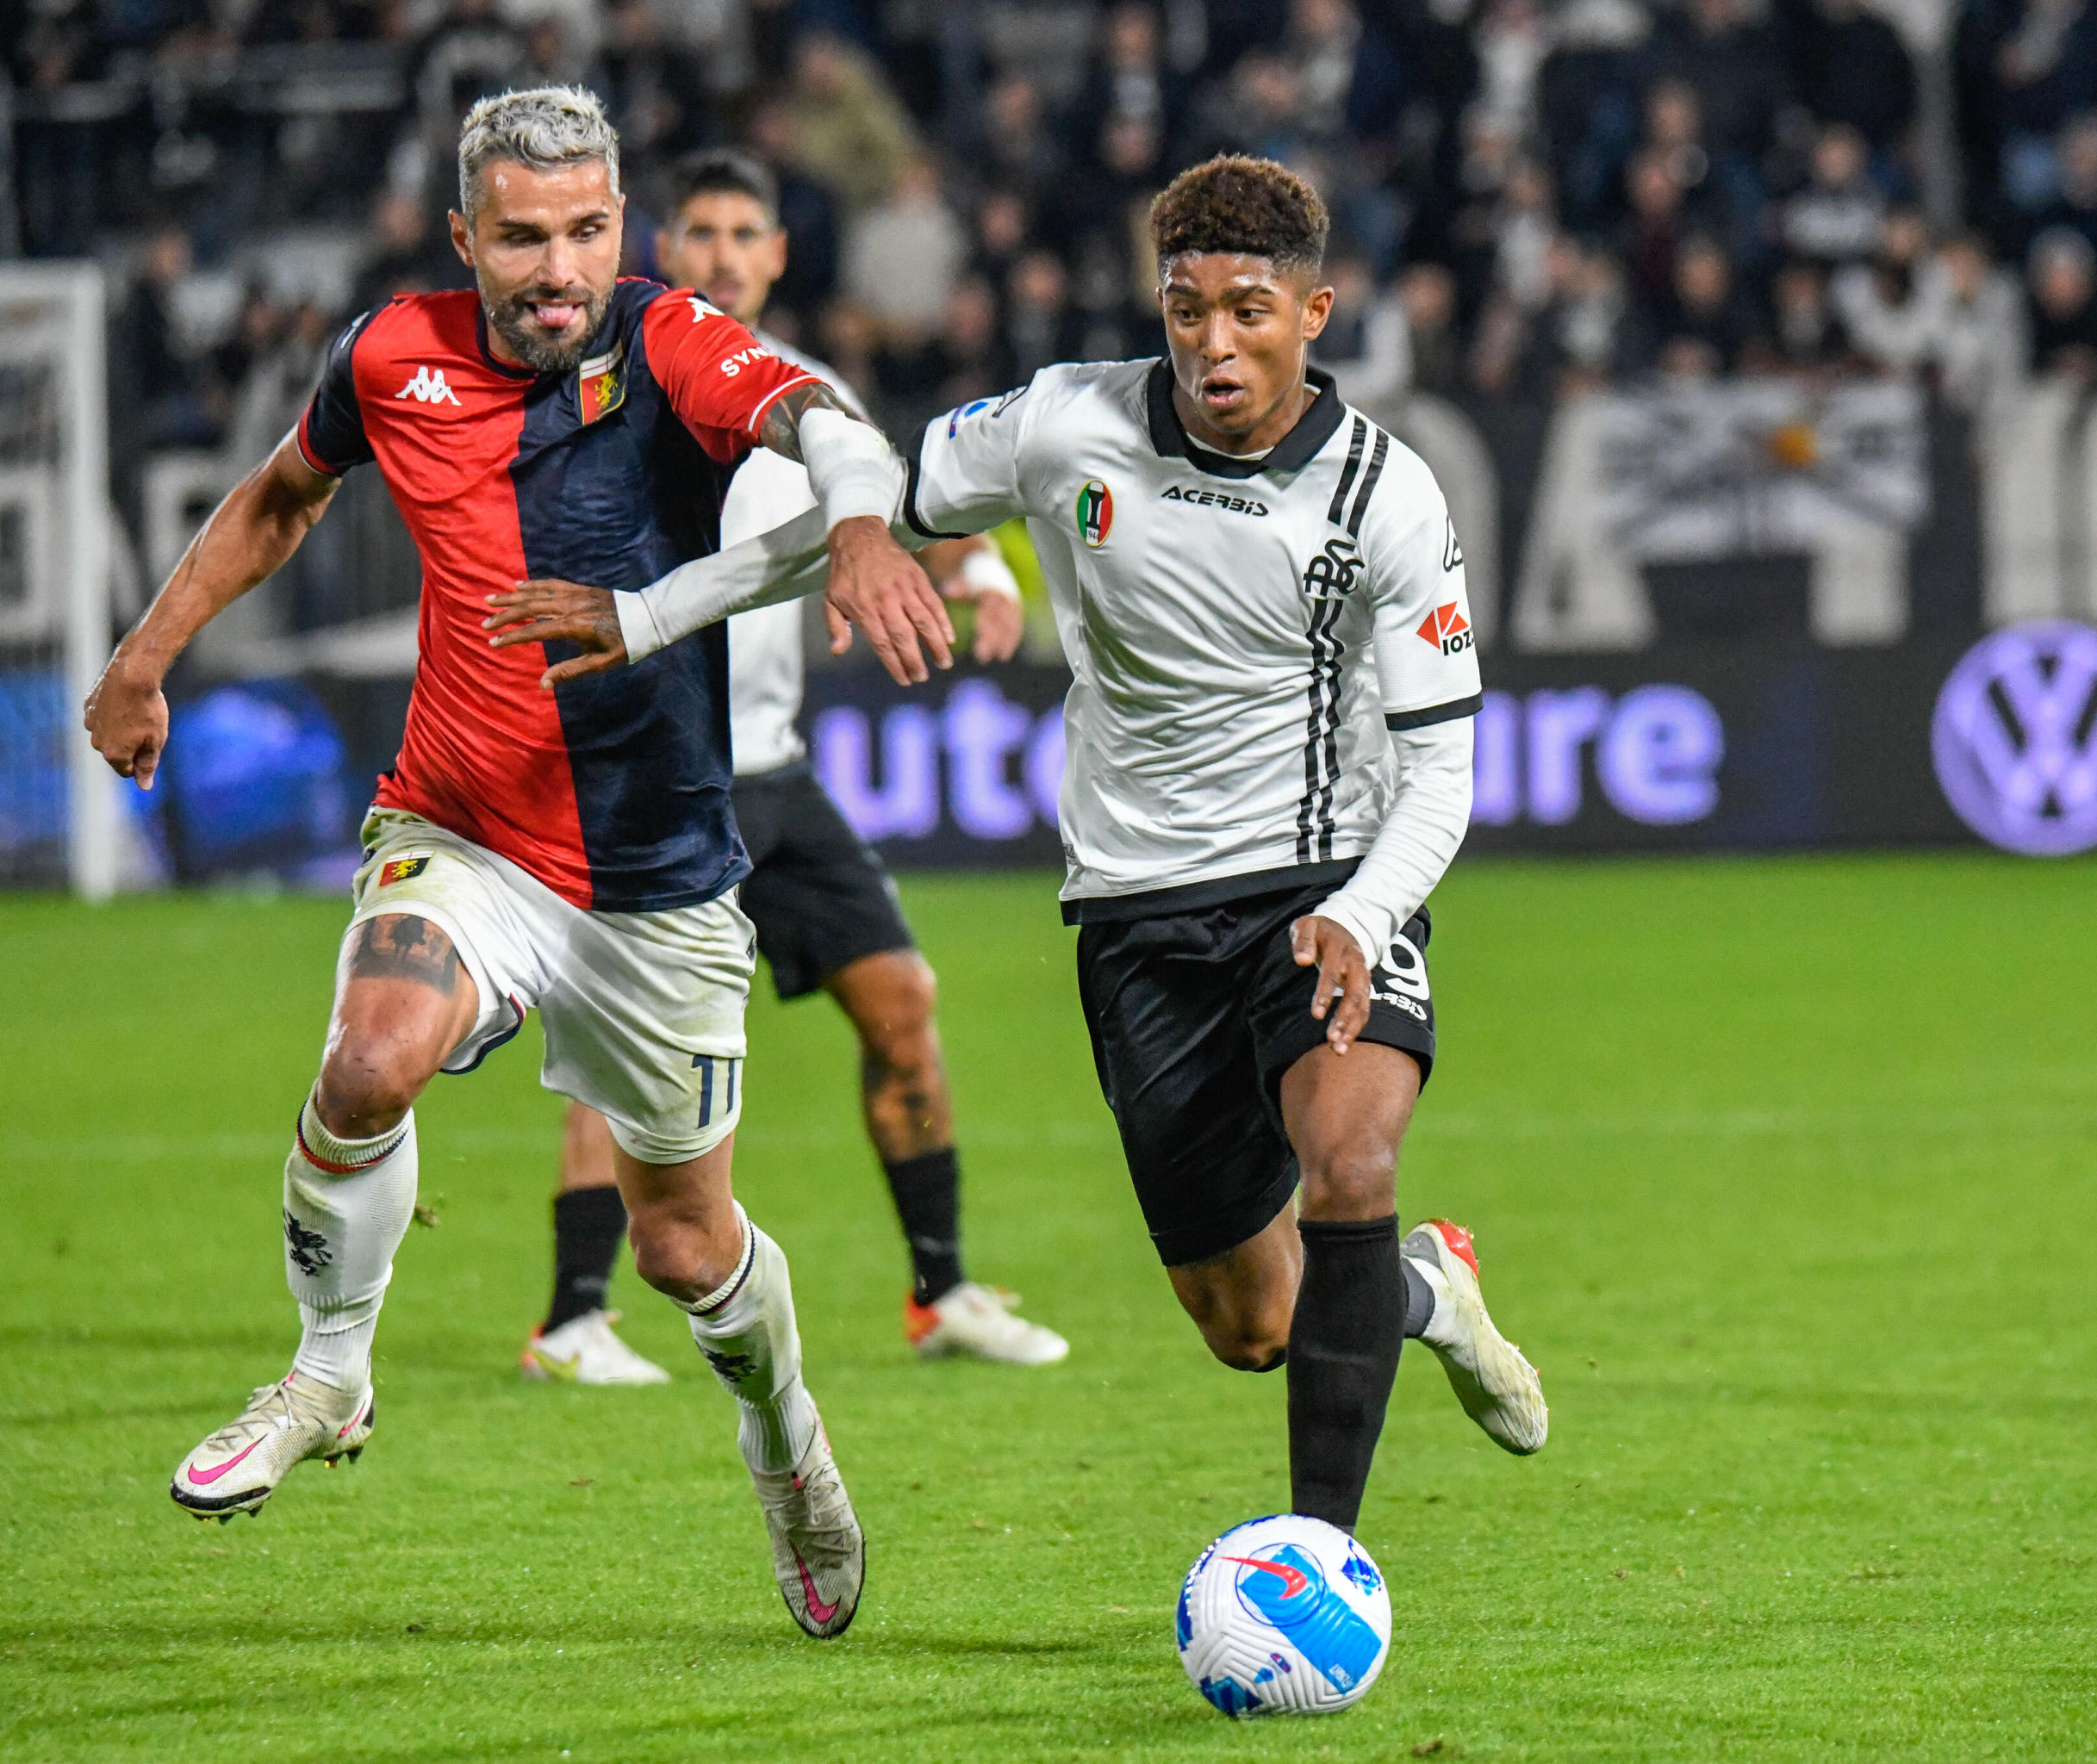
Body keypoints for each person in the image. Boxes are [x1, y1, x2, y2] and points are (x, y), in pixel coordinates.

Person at [526, 155, 1548, 1537]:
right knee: (1249, 1322)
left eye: (1251, 310)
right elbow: (860, 515)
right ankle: (1423, 1289)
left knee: (1351, 1165)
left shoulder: (1389, 495)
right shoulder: (1068, 423)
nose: (1214, 342)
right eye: (1187, 308)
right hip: (1138, 912)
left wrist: (1368, 916)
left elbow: (1444, 769)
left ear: (1316, 314)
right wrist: (659, 610)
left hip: (1323, 889)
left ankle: (1317, 1566)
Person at [83, 85, 960, 1640]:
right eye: (522, 238)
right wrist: (147, 657)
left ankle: (789, 1448)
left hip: (663, 881)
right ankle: (327, 1372)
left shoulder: (673, 340)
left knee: (688, 1247)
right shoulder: (388, 356)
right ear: (463, 238)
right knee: (368, 1064)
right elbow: (284, 494)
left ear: (617, 225)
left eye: (584, 232)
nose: (558, 270)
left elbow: (826, 423)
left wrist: (870, 524)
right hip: (464, 828)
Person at [525, 149, 1068, 1386]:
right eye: (700, 232)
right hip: (656, 772)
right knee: (624, 1054)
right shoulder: (616, 384)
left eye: (744, 234)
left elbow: (890, 507)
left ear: (777, 254)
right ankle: (570, 1319)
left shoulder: (802, 393)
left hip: (771, 775)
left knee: (904, 1007)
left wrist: (975, 569)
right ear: (667, 248)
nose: (720, 254)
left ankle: (941, 1292)